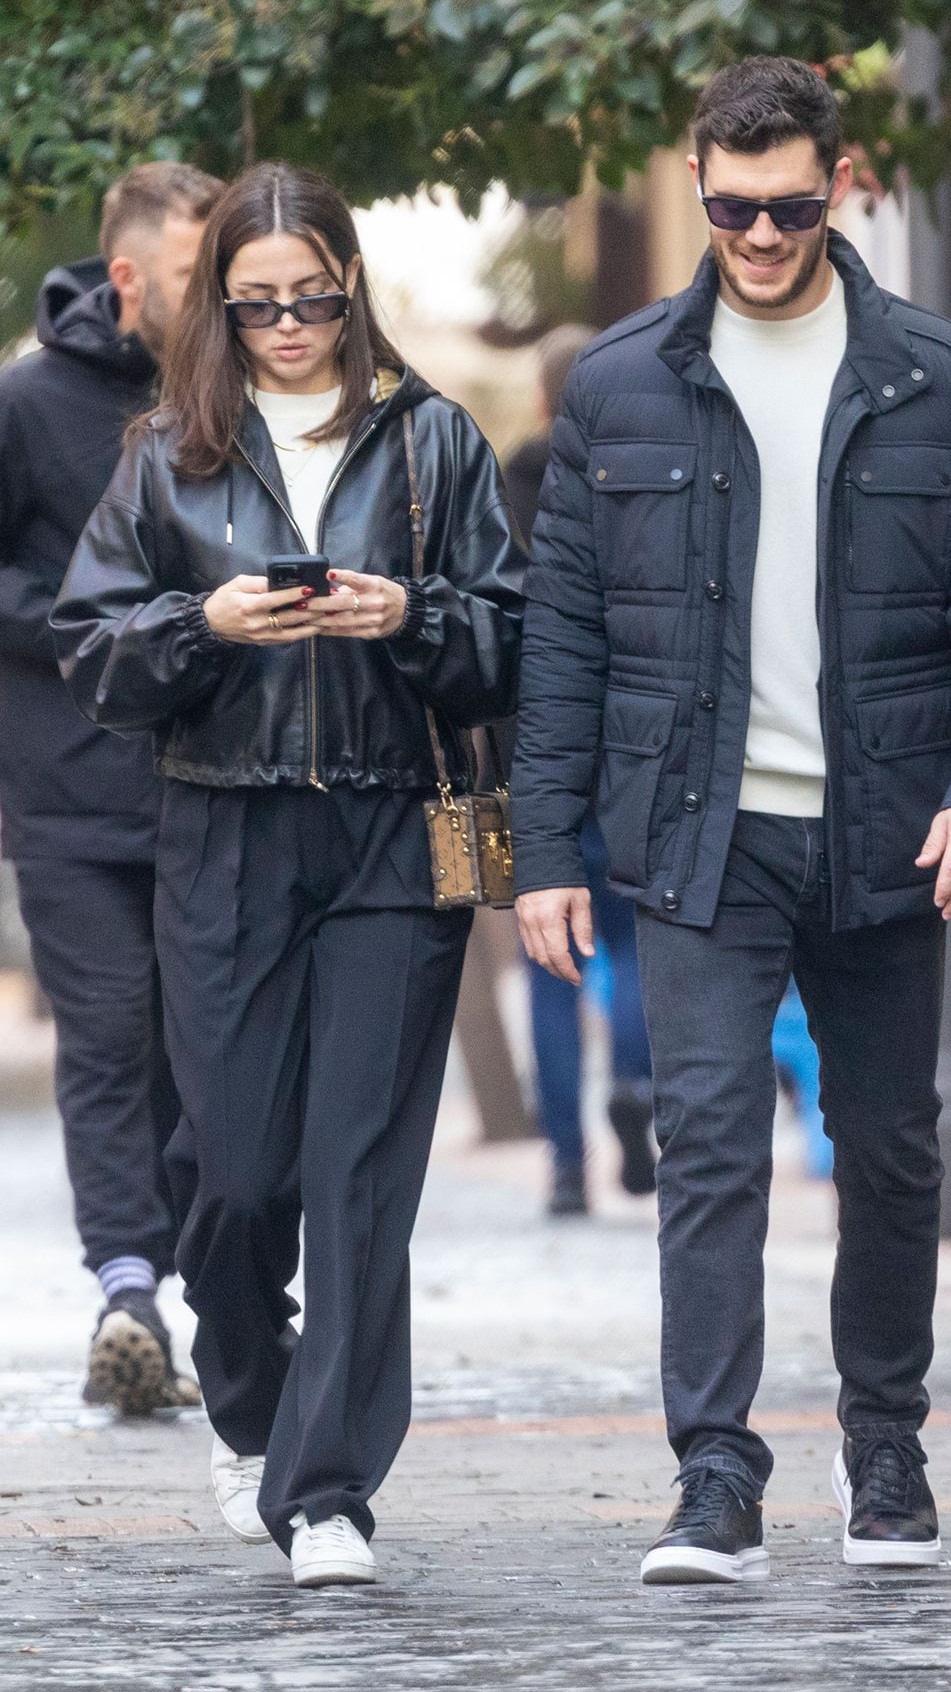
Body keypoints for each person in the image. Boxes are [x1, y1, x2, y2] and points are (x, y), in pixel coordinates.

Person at [511, 56, 951, 1584]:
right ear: (696, 181)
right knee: (710, 1147)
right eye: (737, 208)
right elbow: (563, 635)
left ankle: (885, 1440)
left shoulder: (934, 374)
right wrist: (545, 848)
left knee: (889, 1145)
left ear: (841, 182)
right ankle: (715, 1471)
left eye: (793, 206)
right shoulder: (619, 383)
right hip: (701, 829)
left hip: (886, 825)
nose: (762, 236)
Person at [52, 162, 524, 1589]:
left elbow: (511, 634)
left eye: (311, 296)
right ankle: (249, 1400)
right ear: (218, 306)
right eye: (256, 305)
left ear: (350, 283)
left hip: (392, 832)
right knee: (241, 1179)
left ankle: (328, 1493)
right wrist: (203, 623)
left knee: (357, 1178)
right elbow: (95, 651)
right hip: (227, 833)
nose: (287, 325)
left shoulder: (435, 441)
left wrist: (412, 614)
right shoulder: (168, 450)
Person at [0, 162, 223, 1414]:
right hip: (71, 797)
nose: (228, 298)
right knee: (107, 1037)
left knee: (203, 1051)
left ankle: (210, 1290)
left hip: (213, 785)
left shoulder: (234, 398)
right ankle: (129, 1289)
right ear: (130, 279)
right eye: (200, 277)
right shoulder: (26, 405)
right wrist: (101, 626)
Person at [503, 326, 655, 1217]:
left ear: (541, 400)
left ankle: (565, 1165)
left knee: (549, 963)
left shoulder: (507, 487)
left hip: (540, 756)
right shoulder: (635, 474)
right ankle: (635, 1084)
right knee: (635, 941)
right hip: (630, 755)